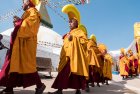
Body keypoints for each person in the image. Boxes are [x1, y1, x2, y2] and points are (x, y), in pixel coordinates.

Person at [0, 0, 46, 94]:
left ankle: (40, 85)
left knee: (27, 66)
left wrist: (19, 22)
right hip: (19, 44)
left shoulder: (34, 12)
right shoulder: (26, 13)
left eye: (23, 2)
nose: (22, 4)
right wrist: (19, 22)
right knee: (13, 65)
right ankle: (9, 88)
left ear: (29, 2)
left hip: (26, 45)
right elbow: (22, 25)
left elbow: (30, 27)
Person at [48, 4, 88, 94]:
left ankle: (71, 90)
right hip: (66, 56)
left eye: (71, 21)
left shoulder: (79, 32)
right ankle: (61, 90)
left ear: (76, 23)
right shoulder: (68, 33)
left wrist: (73, 38)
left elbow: (84, 43)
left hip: (74, 57)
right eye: (69, 21)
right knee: (65, 73)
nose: (69, 23)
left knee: (74, 73)